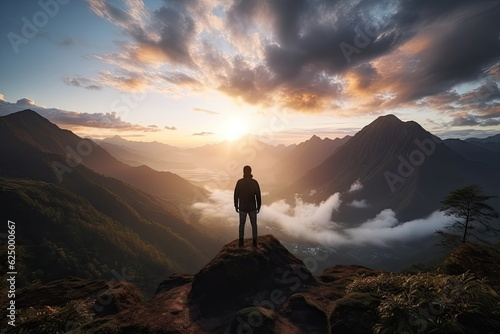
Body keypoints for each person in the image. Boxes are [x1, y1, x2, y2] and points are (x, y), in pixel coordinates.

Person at [234, 165, 261, 247]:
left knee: (241, 224)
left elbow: (236, 195)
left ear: (243, 172)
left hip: (242, 207)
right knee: (254, 225)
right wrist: (259, 206)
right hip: (252, 207)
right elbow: (258, 195)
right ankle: (255, 242)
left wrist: (236, 205)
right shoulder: (254, 182)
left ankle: (241, 242)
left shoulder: (239, 182)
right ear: (251, 171)